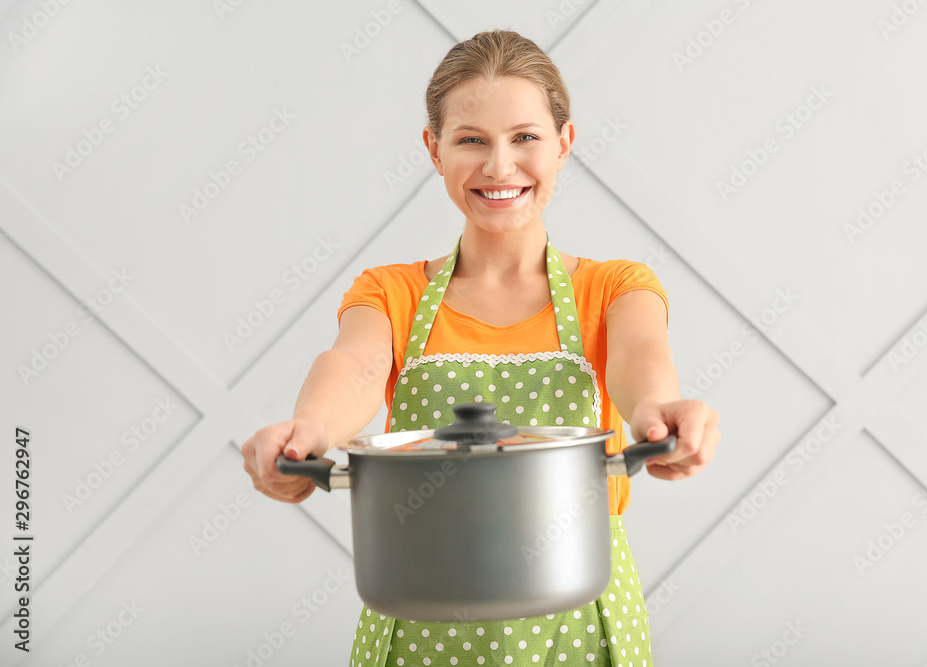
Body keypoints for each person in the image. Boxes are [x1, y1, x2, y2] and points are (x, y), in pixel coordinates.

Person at [241, 28, 721, 666]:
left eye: (525, 137)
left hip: (575, 622)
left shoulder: (614, 287)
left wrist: (661, 413)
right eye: (471, 140)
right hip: (421, 617)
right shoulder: (391, 292)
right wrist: (307, 432)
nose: (499, 167)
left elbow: (640, 360)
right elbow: (354, 367)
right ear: (434, 150)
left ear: (564, 144)